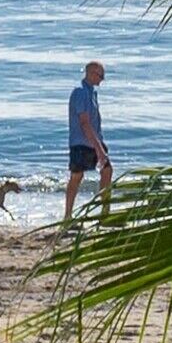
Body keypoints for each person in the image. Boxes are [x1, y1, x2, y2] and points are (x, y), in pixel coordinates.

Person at [64, 60, 110, 224]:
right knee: (77, 177)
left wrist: (99, 144)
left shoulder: (91, 93)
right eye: (100, 75)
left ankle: (105, 212)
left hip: (94, 140)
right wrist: (99, 148)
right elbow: (84, 123)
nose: (102, 79)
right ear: (91, 73)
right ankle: (67, 216)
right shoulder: (81, 93)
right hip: (81, 142)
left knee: (107, 170)